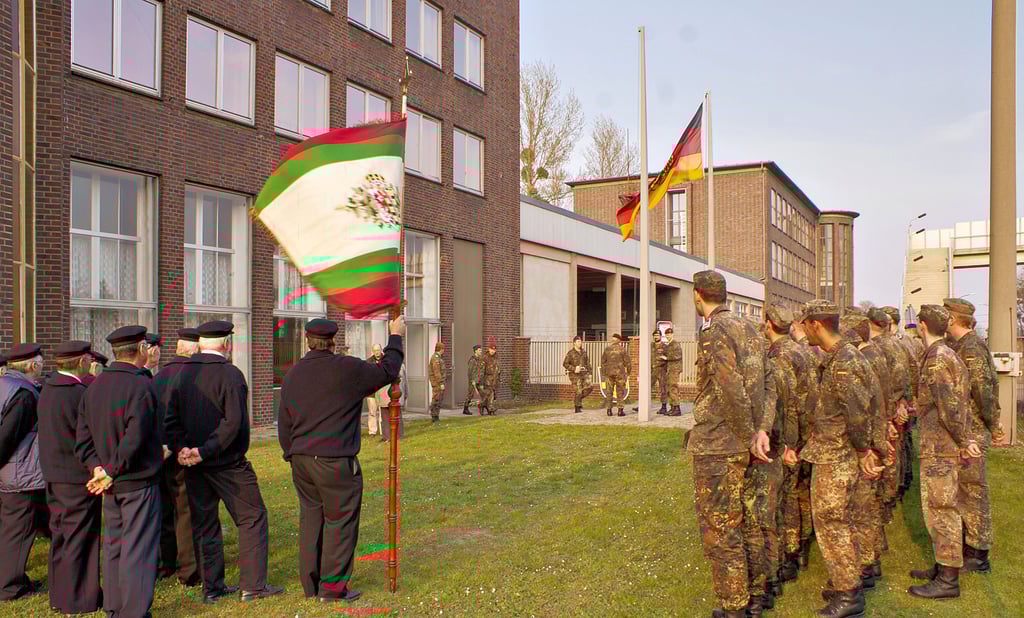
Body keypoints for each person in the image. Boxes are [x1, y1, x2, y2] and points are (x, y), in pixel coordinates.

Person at [278, 317, 403, 602]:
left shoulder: (294, 374)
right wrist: (395, 336)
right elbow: (388, 370)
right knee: (340, 521)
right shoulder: (346, 368)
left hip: (302, 459)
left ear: (308, 341)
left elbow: (284, 420)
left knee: (311, 520)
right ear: (333, 341)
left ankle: (311, 585)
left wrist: (291, 453)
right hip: (334, 460)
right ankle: (332, 588)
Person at [164, 321, 282, 604]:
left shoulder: (182, 374)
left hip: (195, 464)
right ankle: (252, 586)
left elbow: (171, 419)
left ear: (200, 344)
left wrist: (183, 449)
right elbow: (234, 424)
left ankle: (212, 587)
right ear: (227, 344)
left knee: (204, 524)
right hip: (226, 463)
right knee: (252, 517)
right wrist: (203, 451)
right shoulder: (230, 374)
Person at [799, 300, 882, 618]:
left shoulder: (845, 361)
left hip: (837, 455)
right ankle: (847, 582)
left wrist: (863, 450)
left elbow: (858, 413)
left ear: (816, 324)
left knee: (833, 523)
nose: (803, 330)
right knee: (843, 522)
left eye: (805, 323)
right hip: (835, 452)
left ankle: (848, 595)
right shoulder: (839, 357)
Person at [75, 325, 163, 618]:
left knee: (114, 546)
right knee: (138, 547)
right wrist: (109, 470)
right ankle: (132, 611)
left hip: (110, 481)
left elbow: (82, 439)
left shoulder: (94, 386)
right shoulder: (141, 386)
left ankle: (114, 606)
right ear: (142, 349)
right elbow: (135, 437)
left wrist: (98, 468)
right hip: (136, 479)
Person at [687, 271, 755, 618]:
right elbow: (761, 383)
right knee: (743, 521)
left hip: (719, 442)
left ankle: (734, 606)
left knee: (721, 526)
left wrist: (746, 434)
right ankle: (751, 595)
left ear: (698, 294)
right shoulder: (748, 327)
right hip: (739, 439)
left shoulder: (714, 331)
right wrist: (757, 431)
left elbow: (729, 387)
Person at [907, 305, 981, 600]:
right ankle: (943, 567)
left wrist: (963, 440)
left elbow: (949, 406)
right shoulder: (946, 353)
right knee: (942, 508)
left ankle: (948, 579)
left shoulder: (938, 358)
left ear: (923, 325)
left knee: (941, 510)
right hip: (941, 444)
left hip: (941, 446)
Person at [37, 340, 102, 614]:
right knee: (80, 538)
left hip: (53, 474)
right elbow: (88, 436)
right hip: (76, 476)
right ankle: (77, 599)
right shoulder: (78, 393)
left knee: (61, 536)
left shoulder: (48, 389)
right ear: (81, 361)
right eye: (88, 358)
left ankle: (59, 595)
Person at [943, 298, 1000, 574]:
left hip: (973, 431)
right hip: (965, 430)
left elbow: (983, 391)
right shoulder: (961, 346)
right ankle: (967, 546)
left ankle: (978, 554)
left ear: (953, 319)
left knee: (974, 492)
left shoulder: (972, 348)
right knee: (964, 491)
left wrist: (993, 424)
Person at [761, 306, 811, 597]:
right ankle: (799, 550)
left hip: (787, 436)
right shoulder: (800, 350)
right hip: (804, 430)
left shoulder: (780, 356)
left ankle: (789, 556)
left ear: (769, 324)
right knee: (798, 492)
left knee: (784, 499)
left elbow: (786, 404)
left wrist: (788, 443)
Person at [842, 312, 890, 591]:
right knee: (867, 506)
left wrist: (867, 447)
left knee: (860, 507)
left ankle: (865, 566)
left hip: (867, 439)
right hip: (875, 435)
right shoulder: (873, 356)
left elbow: (862, 407)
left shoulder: (861, 360)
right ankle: (871, 563)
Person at [153, 328, 200, 586]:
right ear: (195, 349)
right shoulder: (193, 376)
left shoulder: (158, 377)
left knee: (164, 509)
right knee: (186, 512)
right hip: (184, 451)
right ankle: (189, 569)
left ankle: (165, 563)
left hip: (159, 453)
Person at [0, 343, 46, 601]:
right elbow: (8, 437)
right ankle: (9, 586)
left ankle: (11, 578)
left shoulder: (4, 385)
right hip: (19, 475)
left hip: (10, 473)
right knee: (17, 532)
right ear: (33, 365)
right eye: (40, 361)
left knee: (10, 529)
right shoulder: (23, 394)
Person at [600, 334, 630, 417]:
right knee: (620, 391)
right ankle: (620, 411)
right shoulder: (622, 349)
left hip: (609, 373)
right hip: (620, 373)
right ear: (619, 340)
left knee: (609, 391)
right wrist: (628, 373)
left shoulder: (607, 349)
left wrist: (604, 373)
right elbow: (628, 362)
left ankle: (609, 411)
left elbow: (603, 362)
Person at [562, 337, 593, 414]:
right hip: (574, 375)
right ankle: (577, 407)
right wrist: (574, 368)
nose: (580, 343)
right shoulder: (570, 353)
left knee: (589, 387)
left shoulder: (583, 352)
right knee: (578, 390)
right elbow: (565, 364)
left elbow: (588, 363)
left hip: (584, 373)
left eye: (580, 341)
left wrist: (590, 373)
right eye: (578, 341)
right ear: (574, 343)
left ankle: (578, 400)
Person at [663, 328, 684, 416]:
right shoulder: (669, 345)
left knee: (673, 387)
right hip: (670, 369)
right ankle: (672, 407)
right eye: (666, 335)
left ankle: (677, 408)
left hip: (675, 369)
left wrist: (667, 358)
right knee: (669, 388)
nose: (668, 336)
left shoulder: (675, 344)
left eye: (669, 334)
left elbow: (677, 356)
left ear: (672, 334)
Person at [366, 345, 386, 434]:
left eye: (378, 350)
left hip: (383, 390)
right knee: (372, 411)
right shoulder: (368, 362)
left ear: (381, 350)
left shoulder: (386, 360)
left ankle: (383, 431)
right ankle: (372, 431)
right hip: (372, 391)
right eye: (375, 350)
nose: (377, 352)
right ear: (372, 351)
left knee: (383, 412)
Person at [478, 339, 501, 416]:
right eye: (491, 349)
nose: (492, 351)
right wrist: (481, 382)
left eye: (494, 350)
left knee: (491, 396)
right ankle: (491, 409)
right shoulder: (484, 358)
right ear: (489, 349)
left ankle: (482, 405)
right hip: (487, 380)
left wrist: (499, 379)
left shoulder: (496, 357)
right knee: (490, 394)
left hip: (495, 380)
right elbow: (481, 371)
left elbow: (498, 369)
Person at [428, 342, 446, 423]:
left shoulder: (438, 357)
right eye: (443, 348)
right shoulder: (435, 358)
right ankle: (434, 416)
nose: (444, 350)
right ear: (440, 349)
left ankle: (436, 415)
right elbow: (437, 372)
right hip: (437, 383)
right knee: (436, 399)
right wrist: (441, 383)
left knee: (439, 399)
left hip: (438, 382)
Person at [650, 330, 668, 414]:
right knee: (646, 388)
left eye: (657, 335)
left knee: (663, 388)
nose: (656, 337)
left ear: (660, 336)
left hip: (661, 370)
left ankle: (664, 407)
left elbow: (668, 358)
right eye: (654, 335)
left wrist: (665, 369)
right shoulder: (651, 346)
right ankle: (642, 405)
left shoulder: (664, 346)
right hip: (652, 370)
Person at [463, 345, 484, 415]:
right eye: (479, 350)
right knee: (470, 395)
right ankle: (465, 409)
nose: (481, 351)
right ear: (475, 351)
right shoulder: (472, 360)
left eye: (481, 350)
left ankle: (485, 407)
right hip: (473, 381)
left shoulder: (480, 360)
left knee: (483, 393)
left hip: (479, 380)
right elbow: (470, 372)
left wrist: (481, 380)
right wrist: (472, 381)